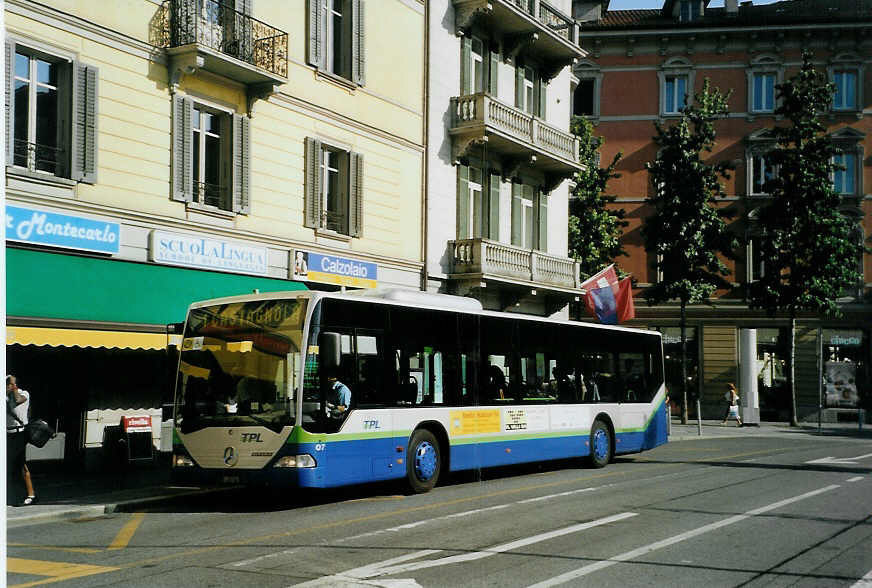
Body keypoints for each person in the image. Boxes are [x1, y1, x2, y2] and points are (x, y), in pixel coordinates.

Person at [6, 375, 37, 506]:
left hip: (19, 433)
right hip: (7, 433)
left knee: (16, 465)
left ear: (14, 385)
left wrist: (13, 387)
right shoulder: (5, 396)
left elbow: (18, 400)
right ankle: (29, 494)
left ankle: (19, 497)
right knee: (17, 465)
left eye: (8, 384)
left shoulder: (24, 394)